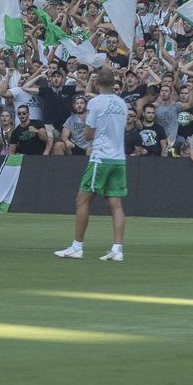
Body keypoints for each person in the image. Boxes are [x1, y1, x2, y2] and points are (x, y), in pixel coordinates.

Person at [55, 68, 128, 262]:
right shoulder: (122, 104)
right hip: (119, 158)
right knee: (116, 204)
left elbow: (87, 135)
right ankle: (117, 249)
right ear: (114, 84)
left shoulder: (94, 103)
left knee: (82, 199)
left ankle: (77, 246)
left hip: (101, 157)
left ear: (96, 83)